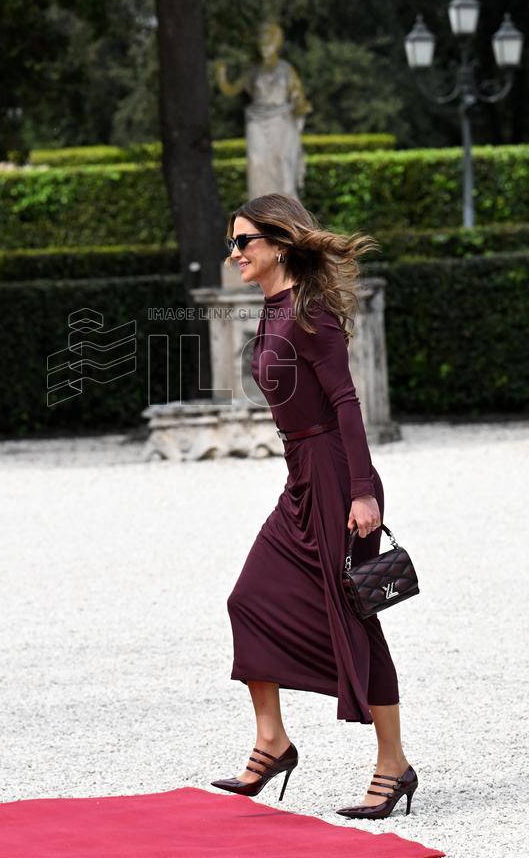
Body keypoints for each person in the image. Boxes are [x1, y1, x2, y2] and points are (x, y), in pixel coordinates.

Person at [209, 193, 418, 819]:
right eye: (233, 242)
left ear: (278, 243)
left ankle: (393, 765)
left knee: (355, 613)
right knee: (248, 599)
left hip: (333, 475)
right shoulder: (273, 309)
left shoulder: (309, 313)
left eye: (244, 241)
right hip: (300, 474)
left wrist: (361, 491)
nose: (235, 252)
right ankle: (273, 741)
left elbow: (346, 403)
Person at [215, 22, 311, 201]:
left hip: (281, 120)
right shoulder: (254, 70)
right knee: (257, 163)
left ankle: (285, 208)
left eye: (268, 44)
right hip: (257, 120)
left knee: (282, 163)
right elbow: (231, 89)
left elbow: (298, 95)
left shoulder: (285, 69)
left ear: (276, 44)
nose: (264, 48)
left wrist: (300, 105)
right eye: (261, 44)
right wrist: (221, 75)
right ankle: (260, 207)